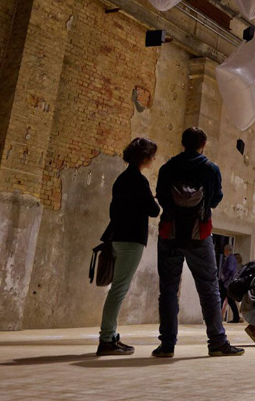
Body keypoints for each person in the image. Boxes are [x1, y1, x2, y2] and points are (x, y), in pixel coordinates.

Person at [153, 127, 243, 357]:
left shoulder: (167, 168)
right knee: (209, 288)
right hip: (199, 234)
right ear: (203, 144)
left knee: (168, 290)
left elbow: (161, 196)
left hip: (170, 233)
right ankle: (217, 342)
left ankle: (167, 345)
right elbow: (215, 199)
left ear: (183, 143)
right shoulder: (210, 169)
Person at [97, 138, 160, 355]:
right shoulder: (139, 181)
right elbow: (154, 211)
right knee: (119, 289)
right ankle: (107, 338)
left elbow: (114, 210)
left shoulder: (121, 179)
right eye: (152, 156)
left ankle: (110, 335)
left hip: (116, 237)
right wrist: (153, 199)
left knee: (116, 288)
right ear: (145, 157)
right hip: (132, 240)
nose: (153, 159)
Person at [220, 244, 240, 324]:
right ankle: (236, 317)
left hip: (228, 283)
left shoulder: (231, 258)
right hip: (228, 283)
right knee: (230, 301)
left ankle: (217, 317)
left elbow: (230, 269)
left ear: (227, 250)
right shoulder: (231, 258)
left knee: (222, 299)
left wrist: (224, 278)